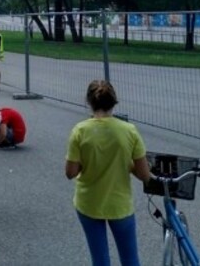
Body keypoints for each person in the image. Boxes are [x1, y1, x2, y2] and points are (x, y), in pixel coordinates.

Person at [66, 80, 153, 266]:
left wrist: (88, 161)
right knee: (130, 259)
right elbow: (145, 175)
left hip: (89, 203)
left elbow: (70, 172)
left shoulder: (80, 131)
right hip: (119, 204)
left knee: (100, 259)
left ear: (89, 102)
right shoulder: (129, 131)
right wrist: (127, 164)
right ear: (114, 102)